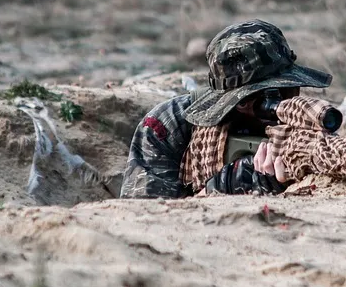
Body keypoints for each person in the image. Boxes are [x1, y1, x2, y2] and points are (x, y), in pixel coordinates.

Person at [119, 19, 333, 199]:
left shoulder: (304, 125)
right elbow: (143, 216)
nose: (283, 104)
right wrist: (224, 186)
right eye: (267, 96)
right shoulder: (168, 124)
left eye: (288, 88)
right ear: (239, 102)